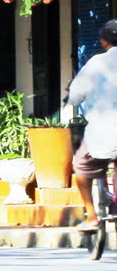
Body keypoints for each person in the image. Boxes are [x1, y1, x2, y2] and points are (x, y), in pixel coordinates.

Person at [68, 19, 117, 231]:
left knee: (81, 167)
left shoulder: (96, 63)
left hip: (103, 131)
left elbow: (76, 95)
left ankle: (92, 216)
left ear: (104, 41)